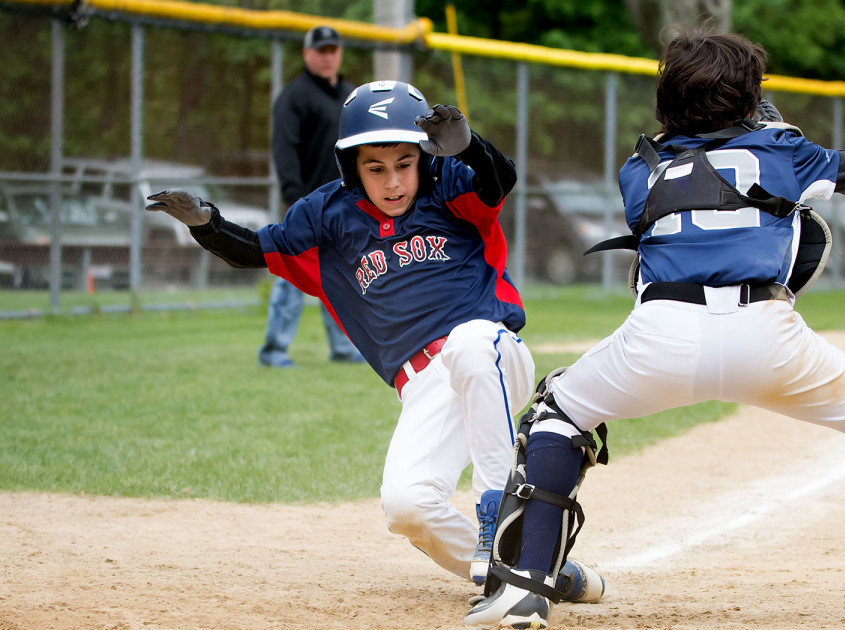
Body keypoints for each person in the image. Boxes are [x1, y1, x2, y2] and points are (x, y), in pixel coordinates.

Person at [466, 32, 845, 630]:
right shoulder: (783, 150)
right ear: (748, 97)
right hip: (767, 334)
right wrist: (776, 135)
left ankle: (523, 584)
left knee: (557, 410)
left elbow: (679, 189)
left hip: (659, 336)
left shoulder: (641, 167)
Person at [144, 81, 602, 601]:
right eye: (376, 168)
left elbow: (499, 182)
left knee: (471, 345)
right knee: (407, 507)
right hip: (424, 385)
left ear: (422, 160)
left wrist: (469, 146)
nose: (393, 181)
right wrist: (205, 221)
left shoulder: (447, 185)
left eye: (404, 164)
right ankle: (531, 568)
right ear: (352, 167)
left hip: (490, 353)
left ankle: (496, 512)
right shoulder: (327, 215)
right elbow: (258, 248)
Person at [260, 25, 364, 367]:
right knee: (291, 277)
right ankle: (274, 351)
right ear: (307, 54)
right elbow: (284, 149)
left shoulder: (350, 95)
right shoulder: (294, 96)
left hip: (344, 203)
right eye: (321, 50)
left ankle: (344, 348)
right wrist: (293, 198)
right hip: (305, 205)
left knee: (343, 278)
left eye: (333, 49)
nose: (328, 56)